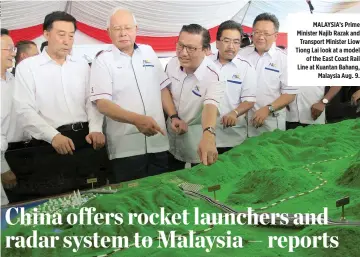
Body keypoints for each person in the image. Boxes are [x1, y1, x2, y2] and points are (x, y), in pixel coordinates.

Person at [13, 11, 107, 200]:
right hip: (49, 143)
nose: (67, 41)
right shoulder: (28, 67)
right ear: (46, 34)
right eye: (61, 34)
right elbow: (24, 109)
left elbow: (92, 100)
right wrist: (53, 136)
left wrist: (96, 128)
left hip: (85, 139)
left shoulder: (81, 65)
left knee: (93, 197)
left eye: (71, 36)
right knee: (57, 200)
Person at [90, 8, 171, 183]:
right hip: (126, 148)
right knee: (133, 200)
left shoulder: (149, 52)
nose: (123, 33)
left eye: (127, 27)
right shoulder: (103, 60)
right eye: (117, 28)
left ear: (136, 29)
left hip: (158, 141)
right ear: (108, 32)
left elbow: (163, 88)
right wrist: (136, 119)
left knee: (162, 194)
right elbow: (102, 103)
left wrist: (174, 115)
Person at [163, 24, 225, 170]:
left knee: (200, 179)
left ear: (206, 50)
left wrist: (208, 134)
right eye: (180, 46)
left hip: (198, 140)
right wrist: (173, 116)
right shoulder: (172, 64)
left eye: (191, 48)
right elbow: (165, 90)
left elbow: (211, 106)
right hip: (171, 135)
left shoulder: (214, 75)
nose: (183, 53)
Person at [238, 13, 298, 137]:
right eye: (257, 32)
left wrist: (268, 108)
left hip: (269, 123)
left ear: (275, 36)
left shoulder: (284, 60)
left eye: (266, 33)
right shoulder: (241, 55)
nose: (260, 37)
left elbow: (290, 94)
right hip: (239, 123)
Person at [210, 20, 257, 154]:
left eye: (236, 42)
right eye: (226, 41)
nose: (231, 46)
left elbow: (249, 100)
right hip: (205, 135)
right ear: (217, 42)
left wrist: (234, 113)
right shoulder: (205, 64)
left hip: (233, 137)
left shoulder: (246, 67)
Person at [1, 28, 17, 205]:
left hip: (16, 155)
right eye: (9, 48)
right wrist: (2, 168)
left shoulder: (13, 80)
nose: (13, 53)